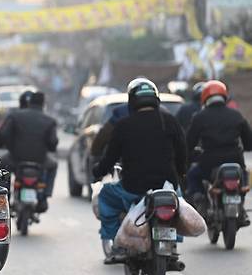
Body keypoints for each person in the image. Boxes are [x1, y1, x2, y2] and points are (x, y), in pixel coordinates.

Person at [92, 78, 187, 264]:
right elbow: (182, 153)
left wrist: (98, 172)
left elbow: (109, 159)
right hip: (167, 185)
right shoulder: (169, 121)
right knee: (179, 202)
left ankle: (117, 247)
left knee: (105, 197)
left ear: (131, 101)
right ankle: (172, 244)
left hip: (132, 188)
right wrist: (181, 174)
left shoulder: (123, 125)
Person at [185, 80, 252, 225]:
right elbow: (248, 142)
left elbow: (189, 142)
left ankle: (200, 201)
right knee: (243, 177)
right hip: (236, 161)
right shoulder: (236, 115)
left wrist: (189, 154)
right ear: (224, 96)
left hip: (209, 163)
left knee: (192, 176)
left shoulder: (199, 117)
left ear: (205, 98)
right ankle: (242, 209)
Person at [0, 91, 58, 203]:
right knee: (53, 165)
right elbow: (53, 142)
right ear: (43, 104)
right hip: (40, 159)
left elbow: (4, 134)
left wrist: (11, 147)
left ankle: (4, 197)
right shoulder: (50, 121)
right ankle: (45, 196)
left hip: (15, 158)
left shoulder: (15, 116)